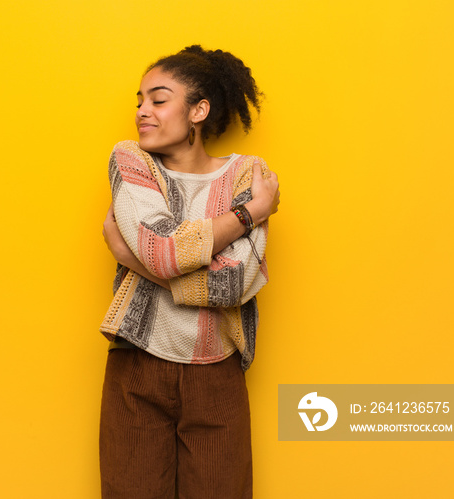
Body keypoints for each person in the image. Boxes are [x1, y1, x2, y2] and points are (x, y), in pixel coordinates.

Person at [99, 45, 280, 499]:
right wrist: (247, 215)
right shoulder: (131, 161)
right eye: (139, 101)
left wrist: (131, 257)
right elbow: (162, 253)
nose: (143, 111)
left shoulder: (249, 175)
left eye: (158, 100)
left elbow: (234, 284)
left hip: (216, 374)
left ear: (199, 110)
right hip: (138, 363)